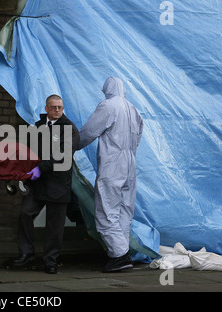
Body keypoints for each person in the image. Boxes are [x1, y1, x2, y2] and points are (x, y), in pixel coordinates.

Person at [78, 77, 143, 272]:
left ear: (107, 89)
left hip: (113, 161)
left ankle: (119, 255)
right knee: (125, 209)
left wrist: (72, 145)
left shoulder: (108, 106)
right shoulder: (134, 109)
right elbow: (138, 135)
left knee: (107, 209)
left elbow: (90, 131)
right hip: (130, 161)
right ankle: (122, 253)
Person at [10, 94, 80, 274]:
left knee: (54, 226)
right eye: (54, 107)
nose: (57, 110)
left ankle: (51, 261)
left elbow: (62, 154)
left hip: (58, 182)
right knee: (25, 214)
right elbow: (28, 151)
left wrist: (41, 167)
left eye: (60, 107)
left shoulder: (70, 129)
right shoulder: (38, 127)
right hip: (38, 183)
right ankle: (26, 254)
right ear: (46, 108)